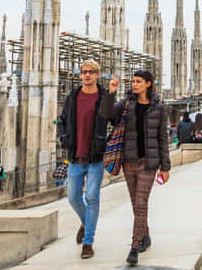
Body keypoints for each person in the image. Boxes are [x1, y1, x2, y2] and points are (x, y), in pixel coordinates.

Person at [108, 68, 171, 266]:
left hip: (149, 163)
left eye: (138, 81)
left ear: (148, 84)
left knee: (141, 202)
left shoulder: (159, 108)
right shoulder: (126, 103)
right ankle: (146, 236)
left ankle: (135, 247)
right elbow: (107, 115)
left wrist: (165, 167)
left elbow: (163, 138)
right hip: (129, 161)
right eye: (133, 81)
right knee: (137, 204)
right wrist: (111, 93)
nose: (134, 84)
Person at [57, 59, 119, 260]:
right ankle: (85, 223)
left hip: (95, 157)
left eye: (91, 71)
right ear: (80, 74)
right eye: (84, 71)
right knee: (74, 198)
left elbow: (114, 120)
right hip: (75, 156)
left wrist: (111, 94)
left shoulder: (102, 97)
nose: (88, 75)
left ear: (97, 74)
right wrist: (64, 139)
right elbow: (62, 120)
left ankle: (88, 242)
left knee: (92, 198)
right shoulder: (73, 97)